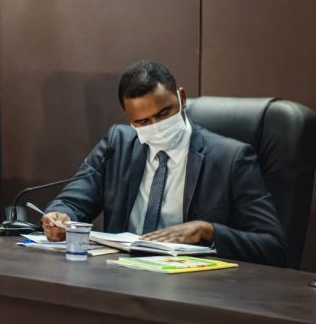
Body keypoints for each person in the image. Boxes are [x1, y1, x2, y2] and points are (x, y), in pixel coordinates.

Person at [42, 60, 286, 266]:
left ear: (181, 98)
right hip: (120, 276)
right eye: (142, 122)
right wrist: (60, 216)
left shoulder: (231, 159)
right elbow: (72, 201)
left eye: (163, 114)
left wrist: (206, 230)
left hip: (193, 285)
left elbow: (272, 246)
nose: (156, 127)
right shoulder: (118, 144)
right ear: (129, 119)